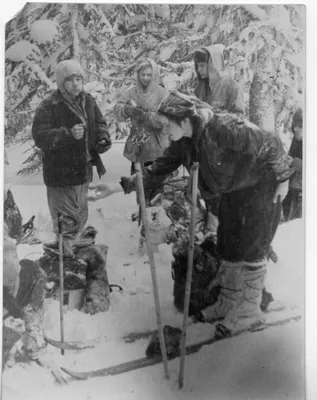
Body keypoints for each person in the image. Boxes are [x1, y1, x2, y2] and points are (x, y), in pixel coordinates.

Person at [88, 90, 294, 336]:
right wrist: (118, 186)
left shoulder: (222, 127)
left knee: (252, 248)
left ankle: (250, 310)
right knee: (228, 246)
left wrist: (284, 177)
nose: (164, 130)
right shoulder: (183, 143)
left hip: (262, 187)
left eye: (166, 124)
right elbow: (159, 169)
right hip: (232, 192)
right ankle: (228, 301)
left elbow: (269, 142)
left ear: (184, 119)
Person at [32, 59, 111, 257]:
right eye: (69, 80)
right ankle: (64, 262)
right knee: (64, 220)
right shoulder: (50, 105)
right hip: (61, 175)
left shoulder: (88, 101)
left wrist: (102, 138)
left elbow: (100, 123)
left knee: (80, 214)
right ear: (60, 83)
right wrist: (67, 134)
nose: (75, 84)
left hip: (83, 171)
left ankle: (73, 251)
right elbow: (40, 136)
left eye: (78, 78)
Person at [193, 44, 245, 237]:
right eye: (197, 66)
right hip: (206, 152)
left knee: (225, 201)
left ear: (214, 63)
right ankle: (211, 236)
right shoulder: (199, 88)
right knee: (207, 195)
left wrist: (212, 111)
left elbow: (240, 119)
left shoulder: (230, 85)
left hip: (226, 153)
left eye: (203, 65)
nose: (199, 70)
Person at [114, 57, 170, 205]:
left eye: (149, 74)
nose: (145, 78)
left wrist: (145, 116)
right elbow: (117, 109)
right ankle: (143, 214)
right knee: (139, 181)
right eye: (142, 74)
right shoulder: (131, 92)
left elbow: (164, 120)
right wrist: (127, 110)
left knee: (157, 185)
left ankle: (155, 216)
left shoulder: (162, 93)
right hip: (137, 144)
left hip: (157, 145)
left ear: (155, 75)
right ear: (138, 75)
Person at [3, 188, 47, 363]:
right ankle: (28, 336)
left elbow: (15, 236)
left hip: (8, 281)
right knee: (36, 275)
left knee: (33, 272)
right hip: (5, 288)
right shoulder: (8, 205)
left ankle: (29, 334)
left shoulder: (7, 202)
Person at [282, 108, 303, 221]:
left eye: (300, 126)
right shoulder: (295, 141)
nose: (296, 129)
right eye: (295, 125)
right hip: (292, 187)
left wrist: (293, 161)